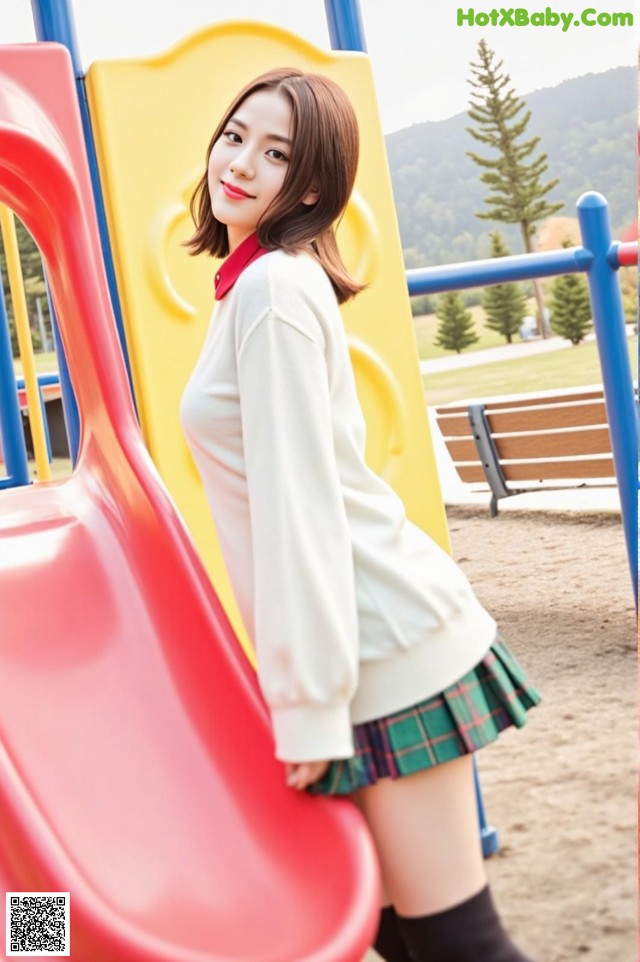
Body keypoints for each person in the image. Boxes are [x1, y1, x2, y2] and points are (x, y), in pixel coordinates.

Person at [180, 67, 540, 962]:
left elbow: (299, 510)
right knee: (385, 930)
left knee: (456, 943)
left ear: (309, 186)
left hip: (384, 650)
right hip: (359, 650)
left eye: (277, 154)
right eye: (236, 136)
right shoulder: (253, 284)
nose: (241, 164)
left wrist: (306, 708)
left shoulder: (272, 294)